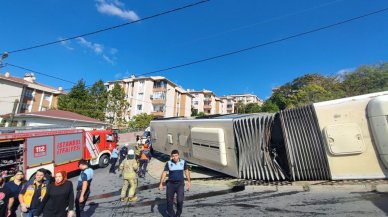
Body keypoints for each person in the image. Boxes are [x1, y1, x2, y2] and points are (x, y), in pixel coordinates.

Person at [159, 150, 191, 217]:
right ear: (171, 156)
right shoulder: (168, 163)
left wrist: (189, 181)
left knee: (180, 200)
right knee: (169, 202)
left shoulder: (183, 162)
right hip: (170, 185)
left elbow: (186, 171)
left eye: (176, 155)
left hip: (180, 184)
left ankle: (178, 214)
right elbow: (164, 173)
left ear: (178, 156)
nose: (174, 157)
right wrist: (161, 183)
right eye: (173, 156)